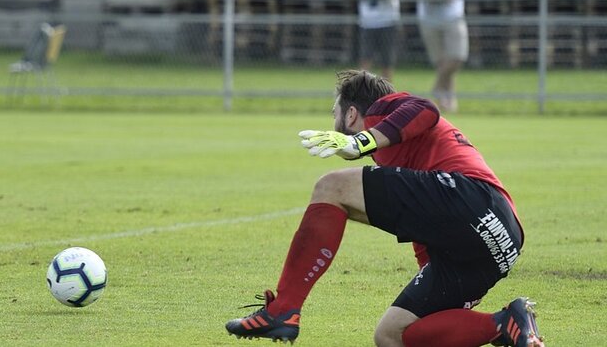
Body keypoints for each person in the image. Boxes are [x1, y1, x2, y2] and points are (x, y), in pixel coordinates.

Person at [224, 69, 545, 347]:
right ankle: (506, 323)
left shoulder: (383, 110)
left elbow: (426, 109)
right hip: (500, 238)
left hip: (473, 199)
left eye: (335, 114)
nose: (334, 124)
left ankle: (283, 310)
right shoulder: (401, 162)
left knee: (331, 187)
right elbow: (426, 224)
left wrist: (359, 142)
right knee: (393, 335)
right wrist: (431, 288)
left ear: (351, 114)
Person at [403, 0, 468, 112]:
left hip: (452, 15)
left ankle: (436, 88)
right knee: (441, 61)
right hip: (428, 17)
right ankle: (447, 102)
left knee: (457, 57)